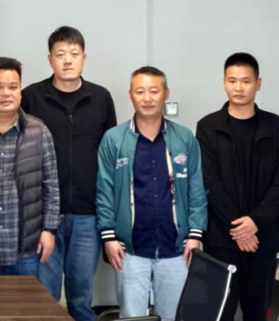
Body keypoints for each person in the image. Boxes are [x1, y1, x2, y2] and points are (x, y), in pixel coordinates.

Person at [96, 66, 207, 320]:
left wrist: (195, 235)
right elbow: (104, 191)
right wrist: (109, 237)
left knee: (173, 316)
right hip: (130, 249)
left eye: (154, 91)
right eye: (140, 91)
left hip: (176, 249)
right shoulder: (113, 139)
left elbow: (197, 189)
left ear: (166, 94)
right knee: (132, 316)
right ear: (131, 95)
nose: (147, 98)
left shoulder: (185, 138)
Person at [22, 26, 117, 321]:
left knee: (81, 299)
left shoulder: (100, 98)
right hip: (43, 217)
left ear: (84, 58)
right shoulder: (31, 98)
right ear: (50, 59)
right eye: (60, 54)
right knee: (44, 298)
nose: (67, 60)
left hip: (87, 214)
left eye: (74, 54)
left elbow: (110, 157)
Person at [196, 53, 279, 321]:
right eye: (232, 81)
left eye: (246, 81)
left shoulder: (275, 126)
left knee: (258, 312)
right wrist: (239, 228)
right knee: (220, 312)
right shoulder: (208, 127)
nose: (239, 87)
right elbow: (209, 181)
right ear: (224, 83)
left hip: (263, 238)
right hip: (222, 239)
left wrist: (256, 222)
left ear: (258, 83)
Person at [0, 57, 60, 276]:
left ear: (20, 91)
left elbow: (51, 186)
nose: (6, 93)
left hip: (26, 249)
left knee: (25, 300)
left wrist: (49, 230)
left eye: (13, 87)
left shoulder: (38, 131)